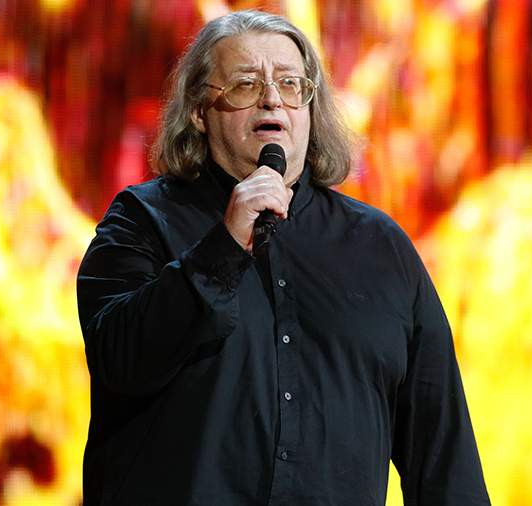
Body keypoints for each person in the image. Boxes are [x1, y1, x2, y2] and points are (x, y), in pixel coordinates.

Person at [77, 9, 490, 505]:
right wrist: (222, 248)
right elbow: (119, 360)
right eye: (245, 84)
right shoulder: (143, 220)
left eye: (291, 84)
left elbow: (442, 454)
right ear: (199, 112)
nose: (272, 98)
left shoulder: (381, 248)